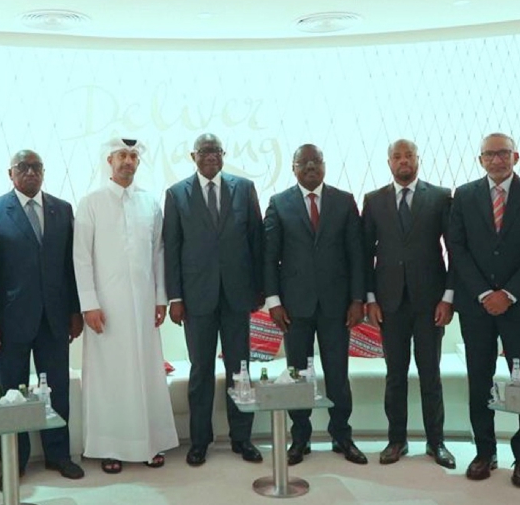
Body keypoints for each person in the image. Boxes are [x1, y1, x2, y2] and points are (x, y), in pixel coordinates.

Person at [448, 133, 520, 488]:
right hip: (476, 306)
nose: (496, 160)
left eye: (503, 153)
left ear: (515, 156)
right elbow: (457, 248)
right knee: (479, 379)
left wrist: (508, 294)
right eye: (489, 154)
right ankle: (484, 451)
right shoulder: (464, 195)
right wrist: (483, 293)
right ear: (480, 160)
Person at [0, 150, 85, 487]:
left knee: (57, 390)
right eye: (22, 167)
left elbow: (70, 267)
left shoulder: (62, 209)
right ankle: (15, 462)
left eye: (36, 167)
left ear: (44, 172)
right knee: (10, 392)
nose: (30, 172)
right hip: (9, 322)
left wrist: (75, 310)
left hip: (55, 318)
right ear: (10, 173)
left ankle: (59, 455)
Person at [73, 137, 179, 474]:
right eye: (122, 155)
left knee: (146, 373)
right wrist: (89, 304)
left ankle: (150, 443)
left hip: (144, 306)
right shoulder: (91, 203)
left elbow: (159, 253)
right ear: (109, 160)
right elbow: (81, 257)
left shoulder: (150, 203)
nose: (128, 161)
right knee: (110, 377)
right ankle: (110, 447)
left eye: (133, 156)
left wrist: (160, 298)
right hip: (106, 309)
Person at [163, 133, 264, 467]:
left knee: (240, 370)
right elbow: (172, 249)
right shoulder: (176, 194)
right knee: (201, 371)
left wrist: (258, 290)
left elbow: (256, 241)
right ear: (193, 156)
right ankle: (199, 441)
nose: (210, 156)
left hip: (237, 295)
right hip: (196, 298)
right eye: (204, 151)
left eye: (215, 150)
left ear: (224, 154)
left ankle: (242, 438)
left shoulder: (244, 189)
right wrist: (175, 297)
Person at [264, 144, 367, 466]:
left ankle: (342, 436)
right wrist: (273, 302)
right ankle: (300, 439)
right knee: (297, 375)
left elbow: (357, 254)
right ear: (293, 167)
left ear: (324, 165)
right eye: (304, 162)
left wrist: (358, 299)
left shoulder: (344, 201)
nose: (310, 167)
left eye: (316, 161)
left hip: (337, 306)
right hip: (294, 308)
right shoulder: (279, 203)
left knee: (338, 374)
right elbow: (269, 257)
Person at [361, 139, 456, 468]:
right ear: (389, 162)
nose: (403, 161)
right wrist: (370, 299)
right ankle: (396, 440)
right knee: (395, 375)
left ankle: (436, 442)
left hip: (431, 303)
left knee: (431, 375)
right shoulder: (374, 200)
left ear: (418, 159)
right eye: (397, 156)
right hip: (389, 303)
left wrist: (448, 297)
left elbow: (454, 250)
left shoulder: (440, 197)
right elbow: (364, 254)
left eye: (409, 156)